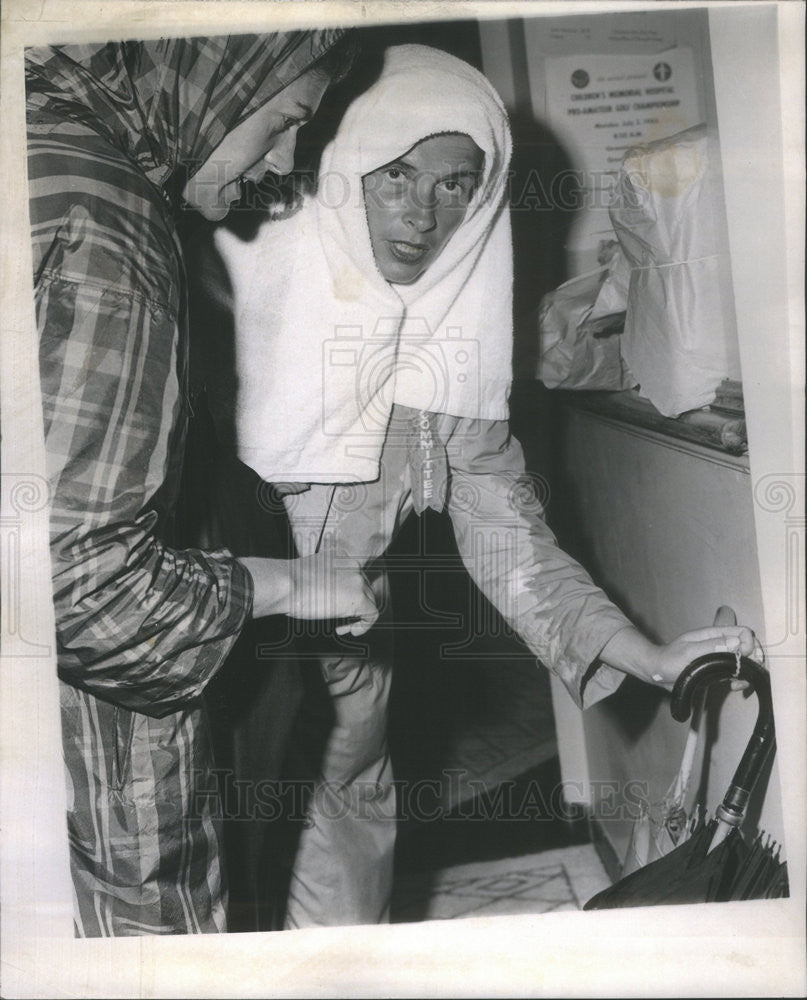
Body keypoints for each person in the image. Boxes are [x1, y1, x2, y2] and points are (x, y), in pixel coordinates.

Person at [200, 44, 760, 928]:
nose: (424, 214)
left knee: (345, 882)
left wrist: (640, 652)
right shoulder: (219, 307)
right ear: (338, 169)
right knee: (220, 887)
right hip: (220, 676)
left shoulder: (451, 348)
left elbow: (510, 539)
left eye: (456, 184)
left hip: (350, 680)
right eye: (394, 176)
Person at [25, 30, 380, 938]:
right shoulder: (102, 217)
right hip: (97, 764)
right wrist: (290, 582)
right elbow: (78, 591)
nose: (292, 161)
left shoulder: (34, 149)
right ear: (208, 67)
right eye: (288, 117)